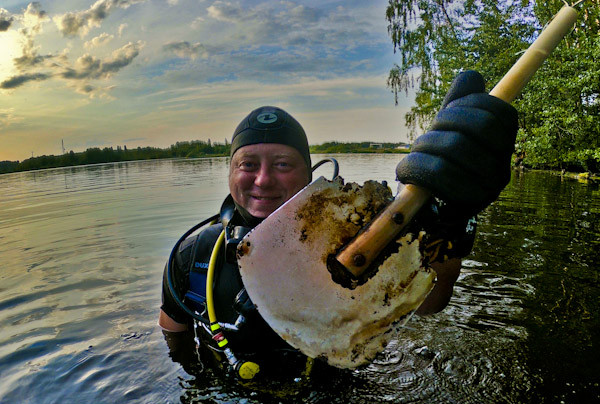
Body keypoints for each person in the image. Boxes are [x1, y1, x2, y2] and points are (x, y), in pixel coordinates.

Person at [159, 71, 518, 374]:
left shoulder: (359, 239)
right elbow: (172, 333)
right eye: (248, 164)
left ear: (309, 174)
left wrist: (450, 223)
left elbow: (431, 303)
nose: (263, 179)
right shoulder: (193, 255)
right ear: (230, 173)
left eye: (283, 164)